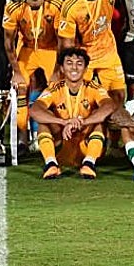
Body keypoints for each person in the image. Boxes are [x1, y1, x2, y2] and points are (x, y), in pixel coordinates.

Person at [30, 47, 118, 180]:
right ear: (62, 68)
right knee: (44, 120)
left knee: (99, 119)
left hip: (86, 145)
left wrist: (83, 122)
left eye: (79, 63)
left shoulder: (94, 87)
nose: (74, 68)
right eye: (69, 63)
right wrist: (63, 122)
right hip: (62, 145)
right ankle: (51, 164)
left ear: (86, 68)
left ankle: (89, 163)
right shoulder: (54, 88)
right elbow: (35, 110)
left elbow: (109, 106)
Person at [3, 0, 65, 142]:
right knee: (20, 87)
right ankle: (22, 136)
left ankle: (59, 136)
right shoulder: (14, 5)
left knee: (57, 88)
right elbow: (8, 41)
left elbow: (62, 41)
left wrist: (56, 71)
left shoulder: (56, 4)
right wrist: (16, 71)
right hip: (28, 49)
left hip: (51, 49)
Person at [58, 0, 127, 102]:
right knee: (85, 101)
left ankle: (115, 125)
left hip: (108, 52)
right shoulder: (70, 7)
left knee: (119, 96)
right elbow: (67, 44)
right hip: (85, 55)